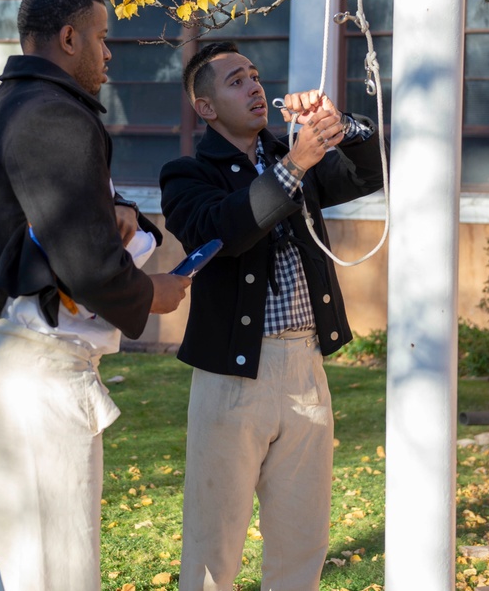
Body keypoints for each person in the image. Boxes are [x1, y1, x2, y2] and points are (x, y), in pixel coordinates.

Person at [0, 0, 190, 591]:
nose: (109, 53)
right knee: (56, 576)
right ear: (68, 37)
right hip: (29, 368)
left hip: (9, 362)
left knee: (31, 568)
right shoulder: (52, 113)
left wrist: (121, 209)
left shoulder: (12, 105)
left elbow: (58, 209)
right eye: (103, 38)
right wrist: (148, 294)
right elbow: (85, 261)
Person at [159, 41, 388, 591]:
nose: (256, 86)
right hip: (232, 378)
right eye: (236, 81)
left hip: (305, 367)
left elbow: (370, 174)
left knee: (302, 540)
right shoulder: (186, 174)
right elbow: (225, 231)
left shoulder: (295, 156)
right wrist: (296, 162)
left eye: (256, 76)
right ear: (206, 107)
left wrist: (341, 127)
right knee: (214, 546)